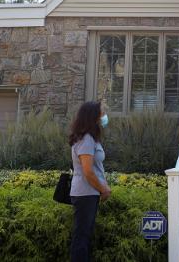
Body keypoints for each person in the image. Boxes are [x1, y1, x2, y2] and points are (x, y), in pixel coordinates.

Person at [68, 101, 112, 262]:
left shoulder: (90, 138)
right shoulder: (86, 139)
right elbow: (87, 171)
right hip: (85, 193)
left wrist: (103, 186)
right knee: (81, 237)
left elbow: (96, 168)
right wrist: (103, 189)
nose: (104, 117)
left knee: (84, 236)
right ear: (93, 116)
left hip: (89, 193)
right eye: (102, 113)